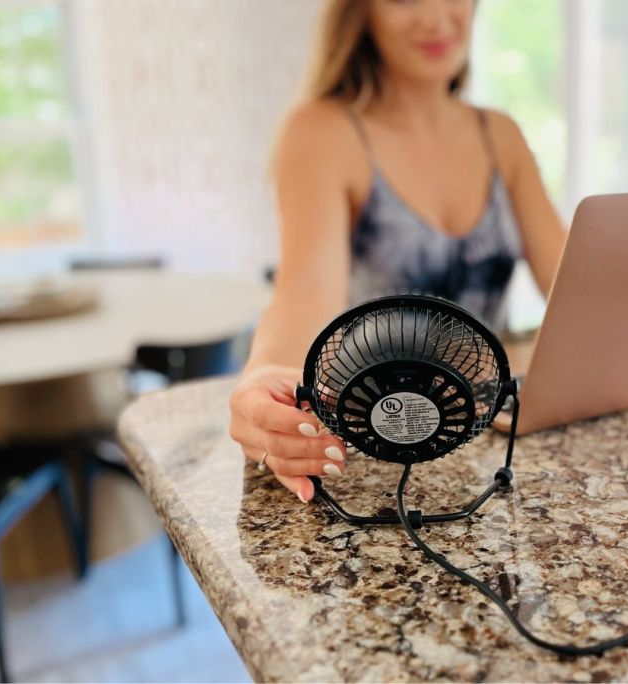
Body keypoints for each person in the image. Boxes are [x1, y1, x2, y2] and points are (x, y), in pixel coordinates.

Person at [229, 0, 566, 505]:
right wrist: (263, 377)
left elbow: (575, 290)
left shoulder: (502, 135)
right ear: (360, 12)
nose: (436, 17)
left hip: (484, 446)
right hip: (374, 445)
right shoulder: (323, 132)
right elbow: (304, 295)